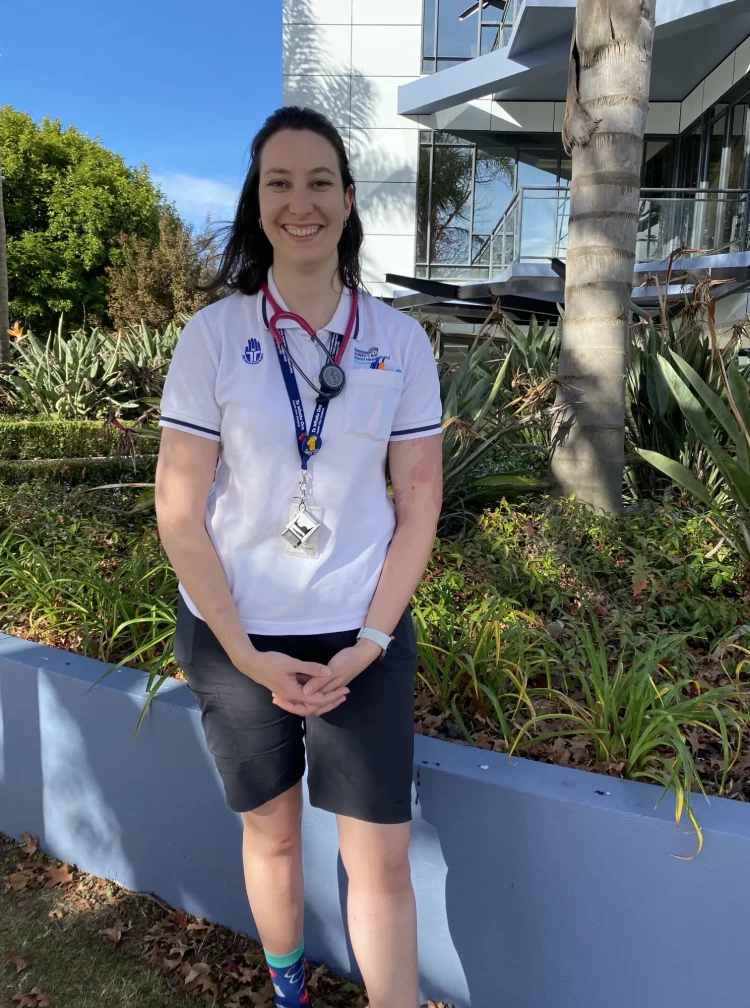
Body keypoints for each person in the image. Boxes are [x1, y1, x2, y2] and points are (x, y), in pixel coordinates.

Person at [155, 105, 443, 1008]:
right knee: (272, 836)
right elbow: (180, 509)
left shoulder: (399, 341)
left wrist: (369, 641)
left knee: (380, 858)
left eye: (320, 181)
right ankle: (290, 995)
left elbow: (419, 498)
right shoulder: (211, 337)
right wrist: (243, 653)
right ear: (257, 201)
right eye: (278, 182)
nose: (300, 201)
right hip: (237, 634)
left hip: (361, 635)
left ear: (349, 200)